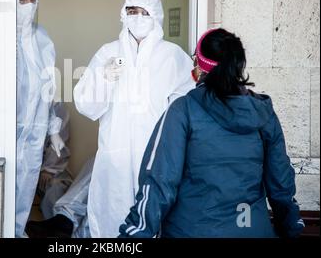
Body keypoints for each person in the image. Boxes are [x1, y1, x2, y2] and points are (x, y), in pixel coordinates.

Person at [119, 28, 304, 238]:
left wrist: (130, 237)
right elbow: (281, 184)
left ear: (200, 64)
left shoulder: (183, 110)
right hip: (252, 229)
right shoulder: (262, 112)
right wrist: (292, 229)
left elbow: (159, 182)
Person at [73, 0, 195, 238]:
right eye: (132, 11)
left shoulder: (173, 57)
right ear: (123, 13)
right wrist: (103, 79)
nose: (138, 18)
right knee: (112, 221)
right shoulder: (108, 53)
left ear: (156, 16)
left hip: (156, 159)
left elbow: (189, 108)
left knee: (153, 220)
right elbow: (86, 105)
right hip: (115, 159)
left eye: (144, 12)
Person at [15, 0, 65, 237]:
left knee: (26, 184)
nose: (29, 5)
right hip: (7, 131)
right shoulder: (0, 40)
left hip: (34, 131)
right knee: (6, 185)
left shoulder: (42, 37)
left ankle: (17, 231)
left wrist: (54, 129)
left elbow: (50, 87)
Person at [36, 102, 73, 220]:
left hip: (47, 168)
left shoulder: (56, 107)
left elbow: (58, 144)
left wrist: (49, 169)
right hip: (26, 167)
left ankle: (53, 226)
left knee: (56, 188)